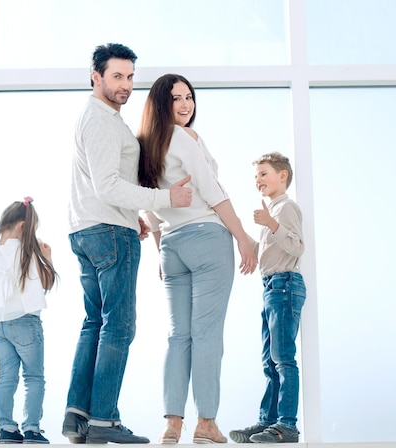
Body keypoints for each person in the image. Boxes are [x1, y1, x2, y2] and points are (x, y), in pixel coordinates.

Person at [63, 44, 193, 445]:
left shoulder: (99, 118)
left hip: (89, 228)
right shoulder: (101, 120)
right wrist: (165, 200)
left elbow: (102, 183)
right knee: (118, 327)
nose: (125, 85)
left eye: (130, 77)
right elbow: (109, 185)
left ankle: (78, 417)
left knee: (95, 323)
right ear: (95, 75)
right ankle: (104, 420)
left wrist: (133, 216)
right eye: (116, 76)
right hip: (107, 232)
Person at [136, 73, 258, 444]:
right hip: (207, 239)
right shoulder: (185, 138)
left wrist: (161, 249)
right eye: (176, 98)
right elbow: (212, 189)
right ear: (162, 104)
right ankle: (205, 423)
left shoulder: (146, 146)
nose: (186, 104)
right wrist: (243, 238)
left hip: (173, 246)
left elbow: (150, 205)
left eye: (189, 97)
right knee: (206, 335)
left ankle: (172, 424)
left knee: (178, 337)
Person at [229, 152, 306, 444]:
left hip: (285, 284)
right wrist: (236, 231)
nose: (258, 180)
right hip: (272, 287)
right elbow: (265, 251)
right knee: (269, 360)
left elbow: (297, 247)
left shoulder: (285, 208)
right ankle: (268, 421)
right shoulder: (271, 212)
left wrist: (271, 224)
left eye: (263, 174)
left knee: (283, 358)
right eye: (256, 176)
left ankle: (286, 425)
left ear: (282, 175)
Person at [0, 197, 58, 444]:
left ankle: (7, 429)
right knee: (33, 377)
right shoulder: (27, 251)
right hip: (25, 324)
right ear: (23, 227)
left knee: (6, 377)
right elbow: (46, 283)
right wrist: (48, 257)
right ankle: (32, 429)